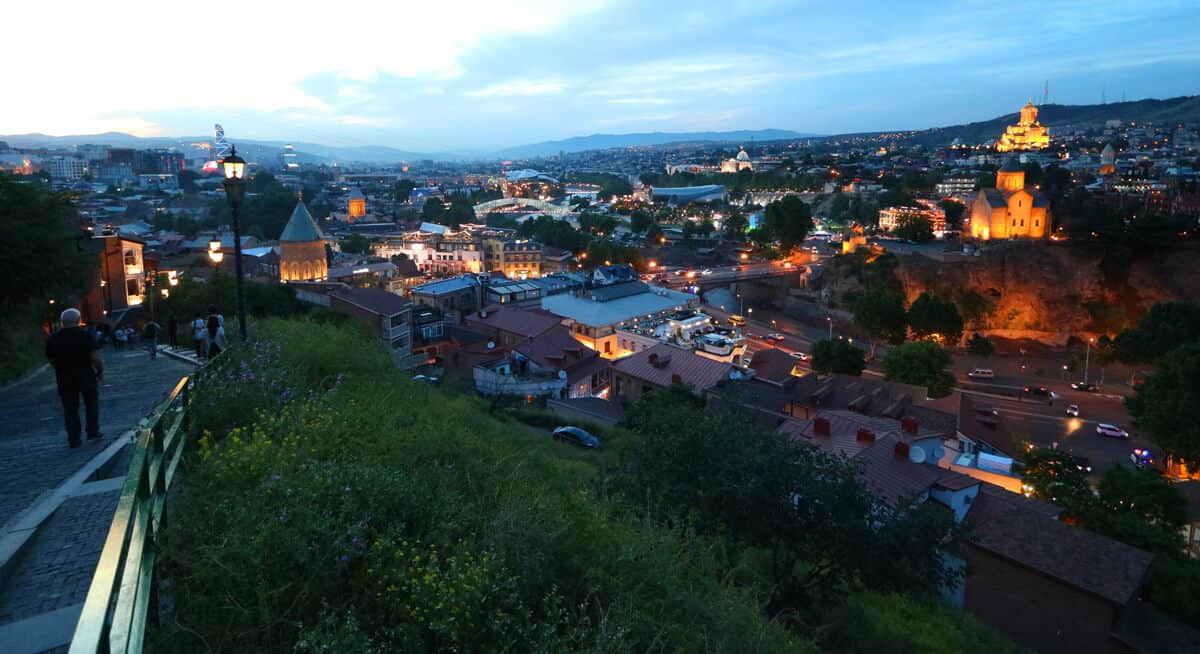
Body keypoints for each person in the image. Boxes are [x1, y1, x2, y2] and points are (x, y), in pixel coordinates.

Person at [45, 308, 104, 448]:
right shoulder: (85, 335)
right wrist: (100, 371)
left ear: (62, 322)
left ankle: (74, 438)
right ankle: (92, 431)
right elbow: (94, 357)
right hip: (85, 374)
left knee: (70, 408)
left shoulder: (53, 338)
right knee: (91, 404)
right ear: (78, 320)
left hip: (64, 377)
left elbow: (51, 359)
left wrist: (59, 369)